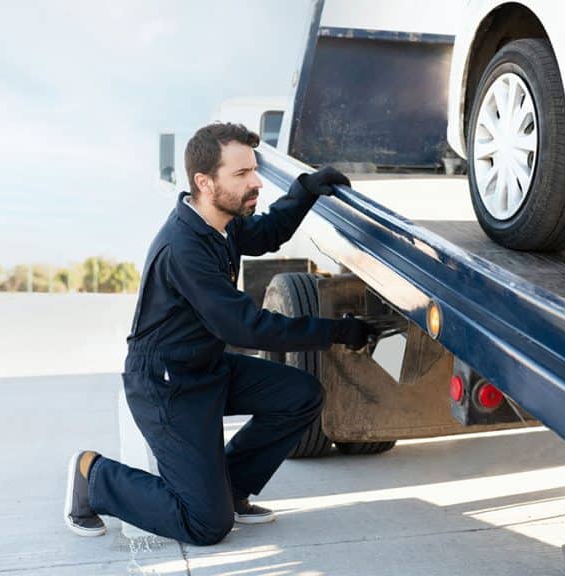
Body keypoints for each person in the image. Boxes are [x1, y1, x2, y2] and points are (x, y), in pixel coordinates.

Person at [62, 122, 377, 546]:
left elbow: (267, 233)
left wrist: (304, 190)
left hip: (206, 367)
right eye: (242, 173)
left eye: (254, 170)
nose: (256, 182)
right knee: (205, 524)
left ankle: (230, 489)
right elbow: (244, 327)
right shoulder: (184, 247)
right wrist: (336, 331)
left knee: (300, 395)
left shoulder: (222, 222)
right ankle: (94, 478)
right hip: (167, 385)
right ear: (205, 182)